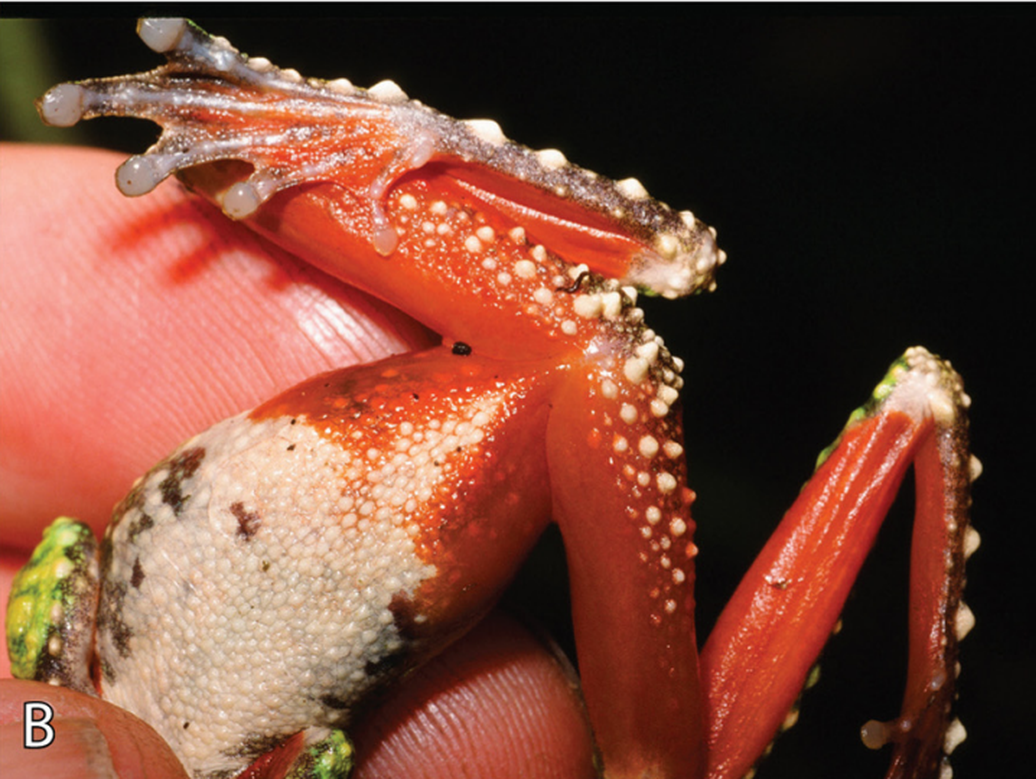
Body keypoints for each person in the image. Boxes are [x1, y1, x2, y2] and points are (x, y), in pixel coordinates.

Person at [0, 143, 593, 778]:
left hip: (152, 614)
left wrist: (37, 736)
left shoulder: (52, 695)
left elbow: (68, 547)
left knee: (55, 633)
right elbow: (324, 751)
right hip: (257, 620)